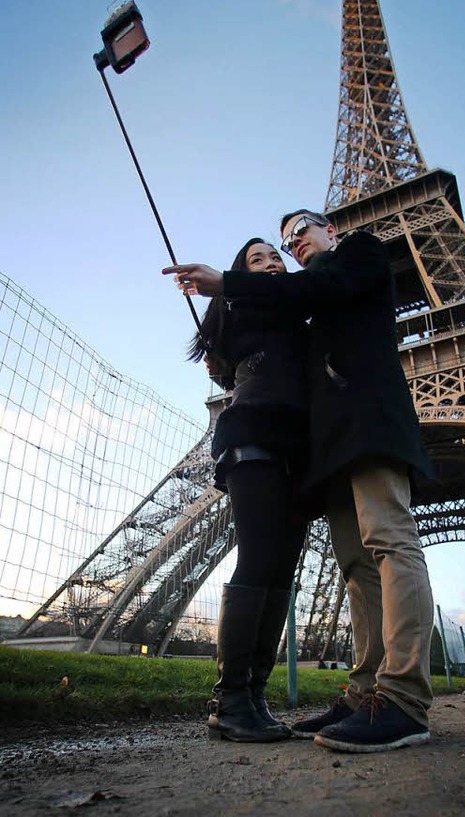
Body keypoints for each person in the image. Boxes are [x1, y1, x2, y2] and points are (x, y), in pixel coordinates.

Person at [163, 211, 434, 753]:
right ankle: (249, 696)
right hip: (286, 444)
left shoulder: (353, 256)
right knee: (340, 566)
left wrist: (237, 281)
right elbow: (228, 346)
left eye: (295, 236)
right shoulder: (269, 307)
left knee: (358, 551)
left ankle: (394, 696)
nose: (289, 245)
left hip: (341, 435)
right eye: (273, 246)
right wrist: (228, 294)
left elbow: (321, 290)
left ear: (330, 229)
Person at [169, 238, 310, 743]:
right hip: (253, 430)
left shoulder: (300, 305)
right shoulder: (249, 304)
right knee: (258, 556)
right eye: (257, 259)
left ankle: (254, 695)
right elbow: (230, 342)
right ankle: (229, 698)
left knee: (283, 567)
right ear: (239, 275)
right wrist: (226, 293)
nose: (272, 262)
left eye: (277, 256)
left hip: (300, 445)